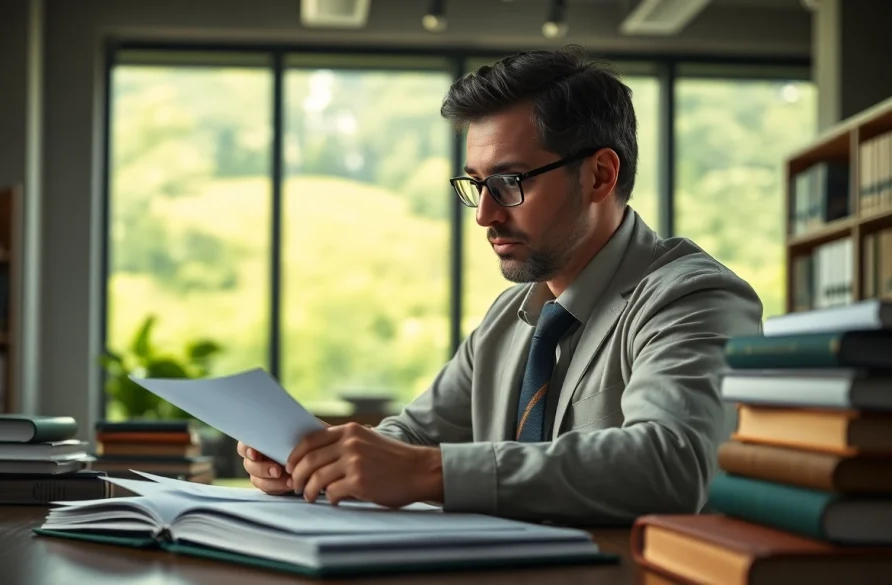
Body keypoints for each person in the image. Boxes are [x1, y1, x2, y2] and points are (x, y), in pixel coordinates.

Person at [237, 45, 763, 526]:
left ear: (600, 175)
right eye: (477, 184)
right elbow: (415, 437)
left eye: (509, 182)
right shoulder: (508, 318)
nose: (485, 215)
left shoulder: (695, 298)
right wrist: (316, 461)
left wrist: (428, 473)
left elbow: (670, 466)